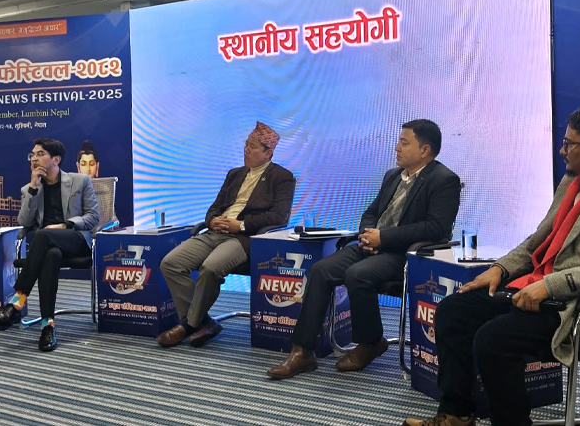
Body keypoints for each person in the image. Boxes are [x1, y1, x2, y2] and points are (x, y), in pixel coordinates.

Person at [404, 104, 580, 426]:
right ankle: (456, 414)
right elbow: (538, 241)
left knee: (495, 339)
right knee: (454, 310)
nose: (562, 150)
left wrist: (551, 285)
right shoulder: (572, 182)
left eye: (569, 144)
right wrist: (501, 269)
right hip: (543, 292)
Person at [267, 119, 460, 379]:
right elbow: (371, 212)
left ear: (425, 150)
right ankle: (302, 352)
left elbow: (435, 228)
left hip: (404, 254)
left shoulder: (444, 180)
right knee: (321, 270)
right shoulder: (393, 175)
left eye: (404, 143)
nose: (397, 148)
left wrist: (384, 238)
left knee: (357, 275)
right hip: (372, 245)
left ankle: (370, 342)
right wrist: (368, 234)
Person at [158, 121, 296, 348]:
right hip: (215, 232)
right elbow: (215, 207)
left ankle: (189, 325)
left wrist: (240, 225)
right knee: (171, 263)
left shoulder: (282, 177)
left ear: (268, 153)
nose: (246, 150)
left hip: (244, 238)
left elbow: (279, 217)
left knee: (211, 268)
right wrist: (212, 220)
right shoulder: (234, 174)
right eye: (246, 144)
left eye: (252, 146)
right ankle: (204, 322)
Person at [0, 138, 99, 352]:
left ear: (56, 159)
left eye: (40, 154)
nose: (34, 159)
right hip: (47, 247)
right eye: (32, 155)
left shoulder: (80, 181)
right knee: (51, 255)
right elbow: (24, 222)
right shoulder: (29, 189)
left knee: (42, 235)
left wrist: (65, 225)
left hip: (76, 239)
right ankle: (47, 326)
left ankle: (17, 300)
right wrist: (33, 187)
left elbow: (93, 217)